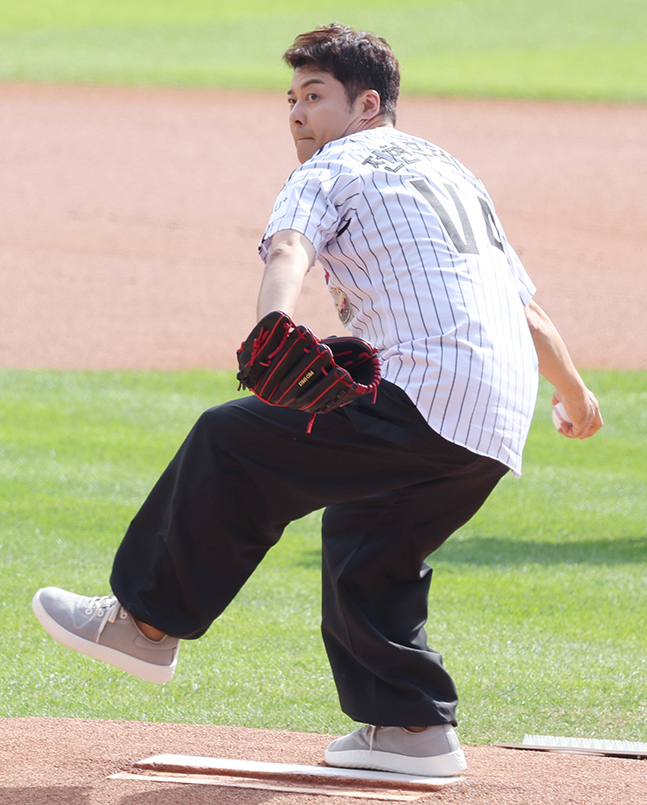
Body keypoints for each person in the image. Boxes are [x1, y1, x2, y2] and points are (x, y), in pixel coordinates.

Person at [32, 23, 603, 778]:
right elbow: (523, 307)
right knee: (371, 535)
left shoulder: (336, 165)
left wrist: (272, 320)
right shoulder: (453, 173)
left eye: (315, 96)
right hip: (492, 424)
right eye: (291, 99)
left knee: (230, 442)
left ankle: (144, 623)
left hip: (421, 394)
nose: (297, 114)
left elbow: (288, 248)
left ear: (366, 105)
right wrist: (574, 391)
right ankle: (410, 728)